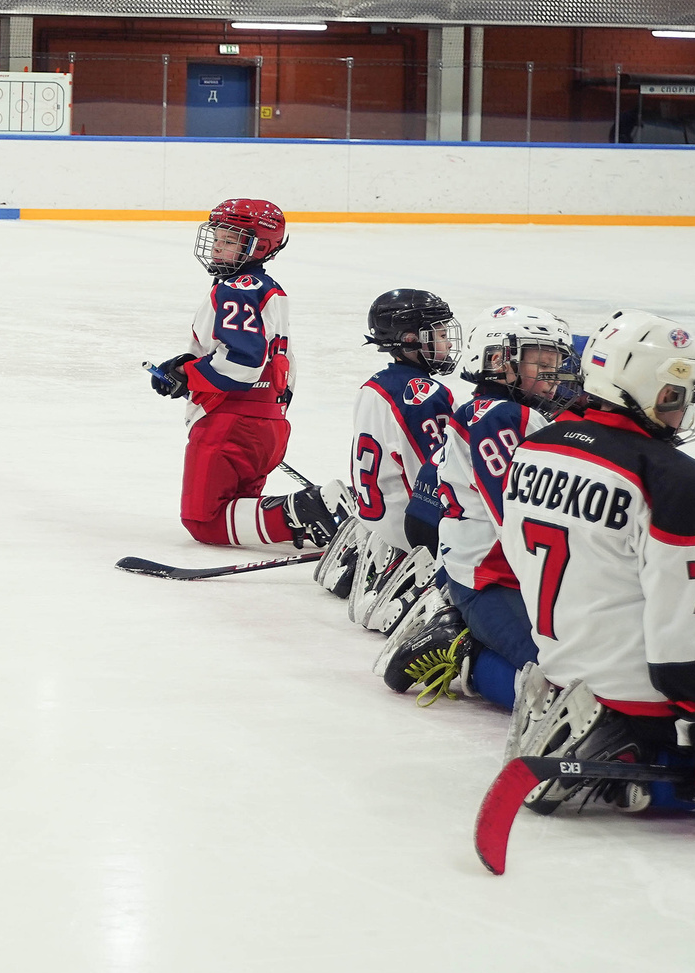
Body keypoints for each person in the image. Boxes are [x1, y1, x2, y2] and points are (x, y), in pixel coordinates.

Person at [497, 311, 695, 821]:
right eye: (674, 393)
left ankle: (605, 740)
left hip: (564, 674)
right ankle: (638, 765)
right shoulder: (682, 483)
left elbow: (518, 560)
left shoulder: (535, 447)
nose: (683, 409)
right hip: (646, 700)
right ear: (640, 386)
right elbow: (686, 658)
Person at [375, 304, 575, 705]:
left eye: (555, 361)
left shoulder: (501, 412)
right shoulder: (503, 416)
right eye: (541, 361)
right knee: (558, 685)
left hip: (490, 571)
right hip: (489, 579)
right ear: (499, 360)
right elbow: (517, 520)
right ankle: (465, 652)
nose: (552, 374)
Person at [147, 198, 341, 551]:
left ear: (259, 246)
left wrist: (187, 374)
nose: (218, 246)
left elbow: (241, 365)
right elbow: (282, 363)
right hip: (267, 423)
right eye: (218, 236)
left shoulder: (235, 290)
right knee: (239, 510)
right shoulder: (268, 289)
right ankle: (314, 520)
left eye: (231, 239)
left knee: (205, 521)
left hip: (230, 424)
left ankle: (313, 511)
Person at [333, 287, 464, 634]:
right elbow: (437, 475)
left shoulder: (373, 385)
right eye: (437, 335)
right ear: (409, 340)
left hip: (374, 521)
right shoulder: (426, 394)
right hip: (410, 534)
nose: (448, 344)